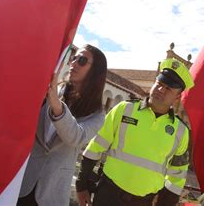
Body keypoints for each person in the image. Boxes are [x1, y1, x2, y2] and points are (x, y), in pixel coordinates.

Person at [76, 58, 195, 206]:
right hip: (108, 194)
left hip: (143, 202)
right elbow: (95, 146)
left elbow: (177, 176)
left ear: (177, 97)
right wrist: (81, 184)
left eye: (168, 89)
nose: (160, 90)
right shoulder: (124, 109)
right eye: (159, 84)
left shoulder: (181, 132)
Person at [17, 44, 108, 206]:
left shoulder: (97, 115)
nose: (73, 63)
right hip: (22, 180)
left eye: (82, 60)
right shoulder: (54, 90)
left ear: (95, 71)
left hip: (52, 192)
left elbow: (76, 137)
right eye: (74, 58)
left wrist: (57, 108)